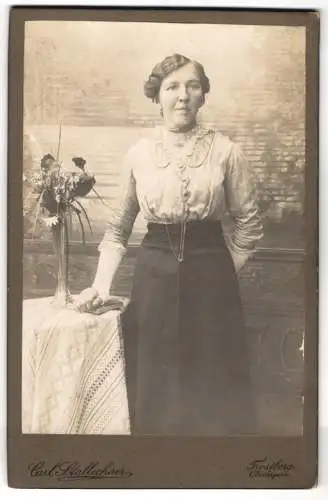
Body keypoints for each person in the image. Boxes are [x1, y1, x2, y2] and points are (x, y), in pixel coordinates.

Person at [74, 54, 263, 435]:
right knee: (157, 383)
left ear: (204, 96)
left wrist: (223, 270)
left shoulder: (227, 152)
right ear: (156, 96)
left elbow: (249, 224)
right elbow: (118, 228)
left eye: (192, 86)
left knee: (212, 382)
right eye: (172, 87)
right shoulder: (139, 154)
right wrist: (100, 285)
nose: (183, 96)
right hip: (154, 273)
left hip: (212, 273)